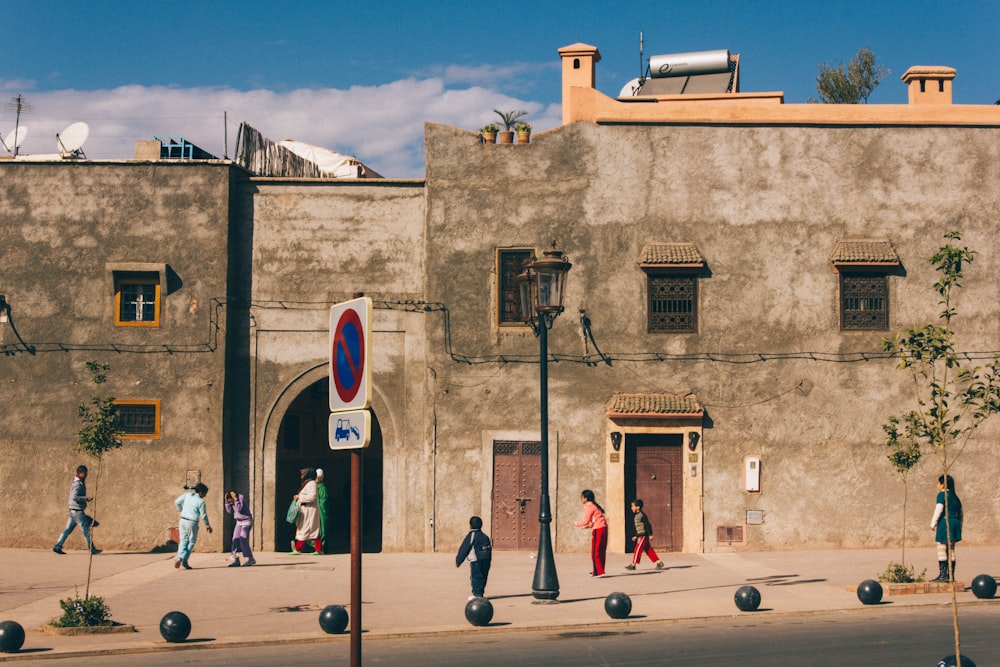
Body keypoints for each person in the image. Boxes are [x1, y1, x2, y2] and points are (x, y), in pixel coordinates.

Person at [53, 464, 101, 555]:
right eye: (85, 473)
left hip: (73, 510)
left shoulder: (78, 481)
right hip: (77, 511)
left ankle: (57, 546)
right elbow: (74, 496)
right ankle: (92, 549)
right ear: (81, 473)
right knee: (86, 530)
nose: (86, 475)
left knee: (68, 529)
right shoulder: (77, 484)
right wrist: (85, 498)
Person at [930, 474, 963, 582]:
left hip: (945, 523)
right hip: (955, 523)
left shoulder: (942, 495)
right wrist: (960, 526)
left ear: (943, 484)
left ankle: (943, 575)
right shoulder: (955, 496)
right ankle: (951, 575)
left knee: (941, 548)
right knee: (951, 549)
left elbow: (939, 509)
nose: (937, 485)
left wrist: (933, 523)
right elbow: (961, 513)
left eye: (938, 483)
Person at [174, 483, 212, 569]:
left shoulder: (187, 495)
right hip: (192, 522)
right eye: (205, 493)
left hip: (183, 520)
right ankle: (184, 560)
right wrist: (207, 525)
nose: (205, 495)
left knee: (183, 541)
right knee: (191, 542)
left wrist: (181, 510)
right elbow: (204, 515)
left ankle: (179, 557)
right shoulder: (201, 501)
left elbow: (177, 502)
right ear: (201, 492)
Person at [455, 516, 492, 600]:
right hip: (486, 560)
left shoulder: (472, 535)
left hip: (476, 560)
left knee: (476, 576)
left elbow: (464, 548)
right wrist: (488, 561)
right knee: (483, 576)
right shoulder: (485, 536)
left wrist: (458, 561)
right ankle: (480, 593)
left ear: (470, 526)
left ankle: (477, 594)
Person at [625, 498, 664, 571]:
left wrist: (650, 534)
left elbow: (648, 525)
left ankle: (633, 564)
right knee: (648, 550)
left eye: (633, 506)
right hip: (640, 535)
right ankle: (659, 562)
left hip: (643, 536)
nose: (631, 508)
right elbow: (639, 527)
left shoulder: (642, 515)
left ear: (638, 507)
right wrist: (636, 536)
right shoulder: (636, 516)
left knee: (637, 549)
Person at [576, 489, 608, 577]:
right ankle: (597, 570)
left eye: (581, 497)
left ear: (585, 498)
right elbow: (593, 519)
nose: (581, 499)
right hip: (603, 527)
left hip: (598, 529)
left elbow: (586, 520)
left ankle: (599, 571)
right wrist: (588, 526)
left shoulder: (589, 506)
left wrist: (577, 524)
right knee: (601, 550)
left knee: (595, 551)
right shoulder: (594, 506)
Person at [291, 468, 322, 554]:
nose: (302, 476)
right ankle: (319, 549)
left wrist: (299, 498)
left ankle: (298, 549)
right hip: (306, 509)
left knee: (306, 529)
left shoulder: (312, 484)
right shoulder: (308, 484)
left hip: (309, 510)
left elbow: (312, 496)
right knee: (311, 530)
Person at [224, 490, 255, 567]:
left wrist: (235, 499)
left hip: (246, 521)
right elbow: (229, 511)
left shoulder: (240, 497)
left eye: (230, 501)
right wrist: (227, 503)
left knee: (243, 539)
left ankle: (251, 559)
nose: (231, 503)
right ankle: (236, 559)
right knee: (235, 539)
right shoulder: (230, 501)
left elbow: (239, 509)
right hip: (239, 522)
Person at [316, 468, 330, 554]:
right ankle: (321, 548)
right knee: (323, 530)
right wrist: (325, 511)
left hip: (313, 511)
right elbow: (324, 501)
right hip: (321, 511)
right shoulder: (322, 488)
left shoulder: (310, 486)